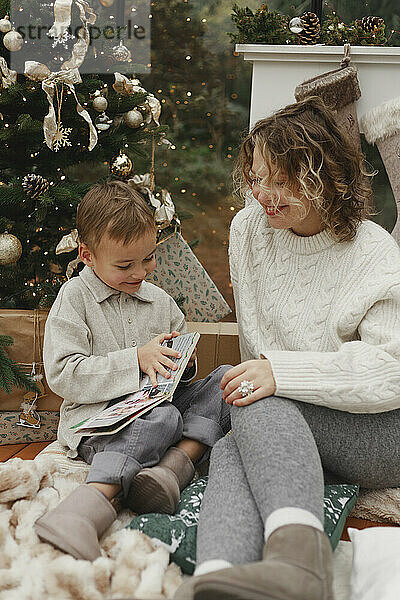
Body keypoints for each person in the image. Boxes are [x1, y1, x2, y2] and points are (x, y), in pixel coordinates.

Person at [174, 96, 400, 600]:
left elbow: (392, 371)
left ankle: (300, 563)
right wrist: (271, 376)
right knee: (243, 415)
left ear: (327, 179)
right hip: (286, 421)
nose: (263, 195)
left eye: (281, 181)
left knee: (256, 392)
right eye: (257, 178)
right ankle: (219, 576)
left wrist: (281, 374)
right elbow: (261, 354)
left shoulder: (374, 252)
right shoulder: (249, 230)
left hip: (383, 432)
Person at [34, 181, 230, 562]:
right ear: (87, 255)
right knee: (162, 417)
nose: (140, 271)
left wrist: (182, 365)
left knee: (226, 380)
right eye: (125, 265)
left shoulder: (160, 302)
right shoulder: (74, 299)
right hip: (100, 422)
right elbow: (63, 374)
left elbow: (179, 363)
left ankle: (174, 467)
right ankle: (87, 505)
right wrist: (135, 360)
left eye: (148, 258)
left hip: (156, 404)